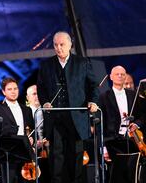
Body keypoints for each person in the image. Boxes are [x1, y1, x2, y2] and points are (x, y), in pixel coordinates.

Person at [37, 31, 99, 183]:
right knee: (56, 156)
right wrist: (45, 102)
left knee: (76, 156)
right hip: (56, 118)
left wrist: (93, 101)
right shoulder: (46, 65)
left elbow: (93, 85)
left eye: (62, 44)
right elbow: (41, 88)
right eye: (55, 45)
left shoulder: (82, 62)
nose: (58, 48)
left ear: (70, 44)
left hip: (76, 117)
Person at [99, 66, 146, 183]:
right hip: (112, 141)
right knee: (115, 175)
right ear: (111, 77)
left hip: (131, 140)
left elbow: (142, 116)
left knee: (132, 174)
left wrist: (136, 124)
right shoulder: (103, 97)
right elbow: (101, 123)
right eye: (117, 74)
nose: (120, 76)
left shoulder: (133, 95)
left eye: (122, 74)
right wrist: (103, 148)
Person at [0, 78, 34, 183]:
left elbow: (31, 129)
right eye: (9, 89)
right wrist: (14, 130)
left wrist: (32, 138)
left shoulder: (27, 110)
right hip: (9, 154)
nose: (13, 91)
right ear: (3, 92)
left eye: (15, 88)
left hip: (26, 153)